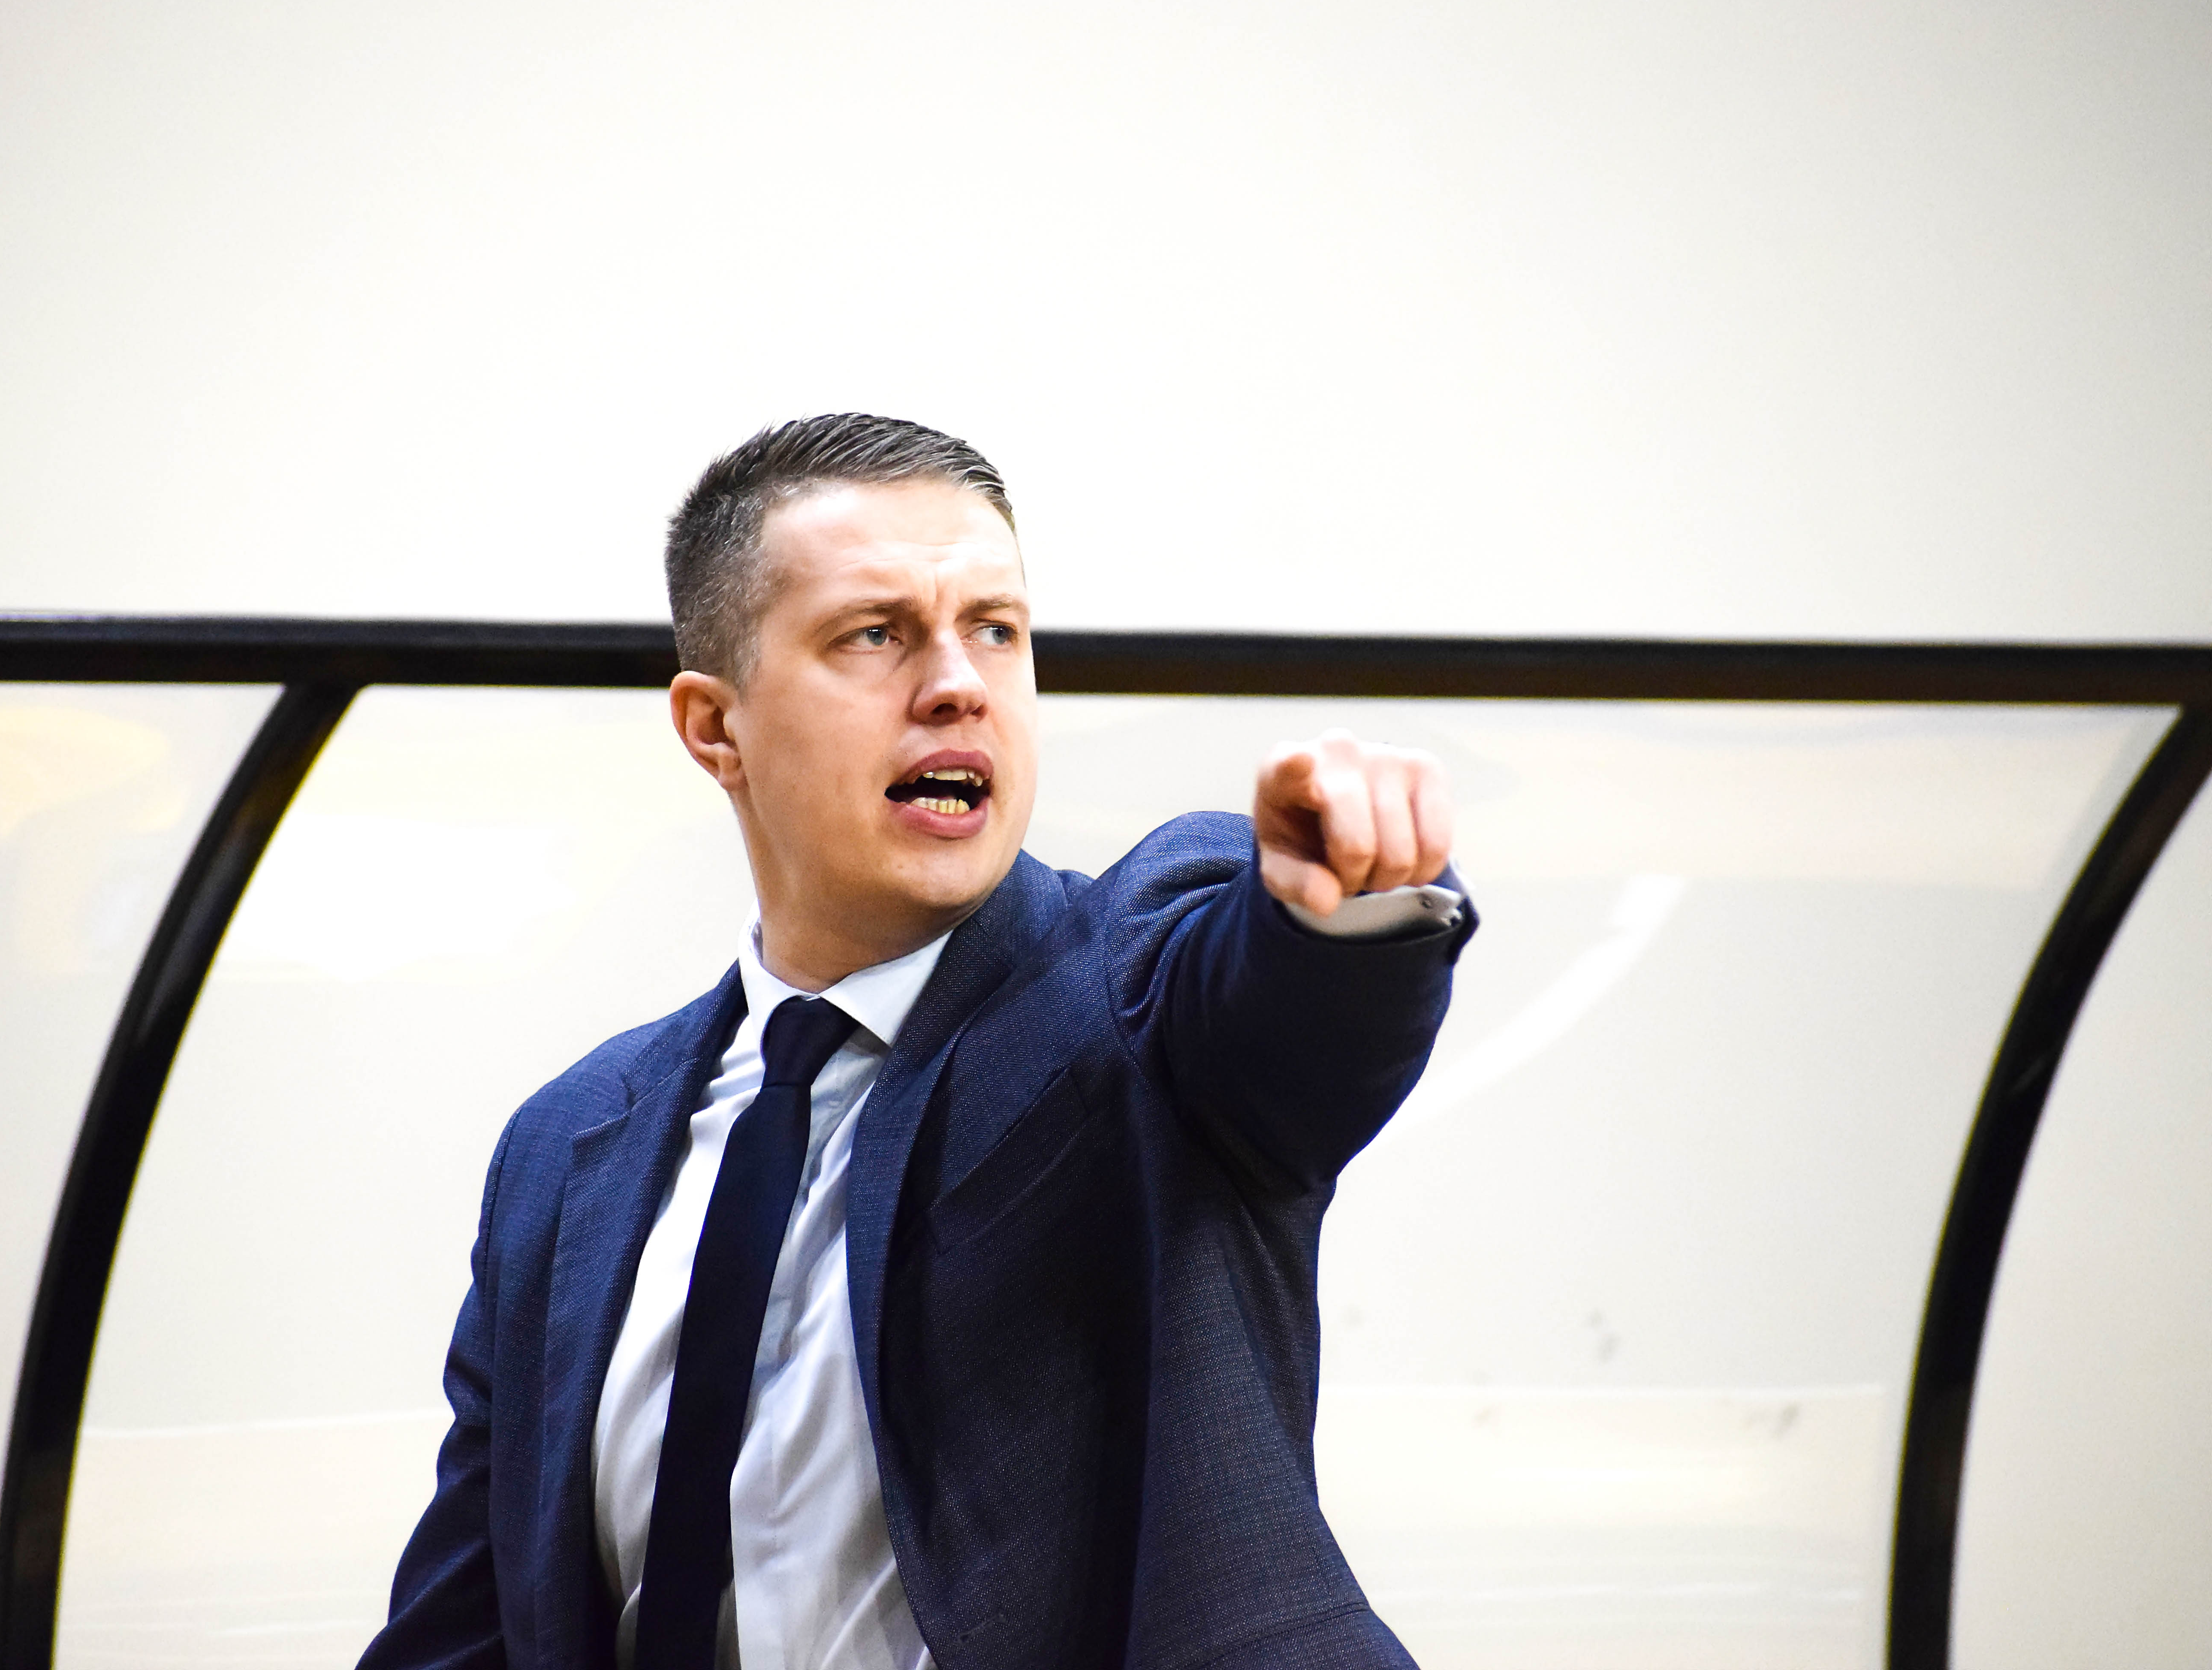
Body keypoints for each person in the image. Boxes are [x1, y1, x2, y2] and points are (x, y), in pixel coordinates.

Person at [358, 414, 1475, 1670]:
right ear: (715, 728)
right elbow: (461, 1634)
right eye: (875, 634)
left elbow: (1282, 1019)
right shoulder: (566, 1149)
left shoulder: (1134, 983)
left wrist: (1340, 914)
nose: (959, 684)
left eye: (995, 629)